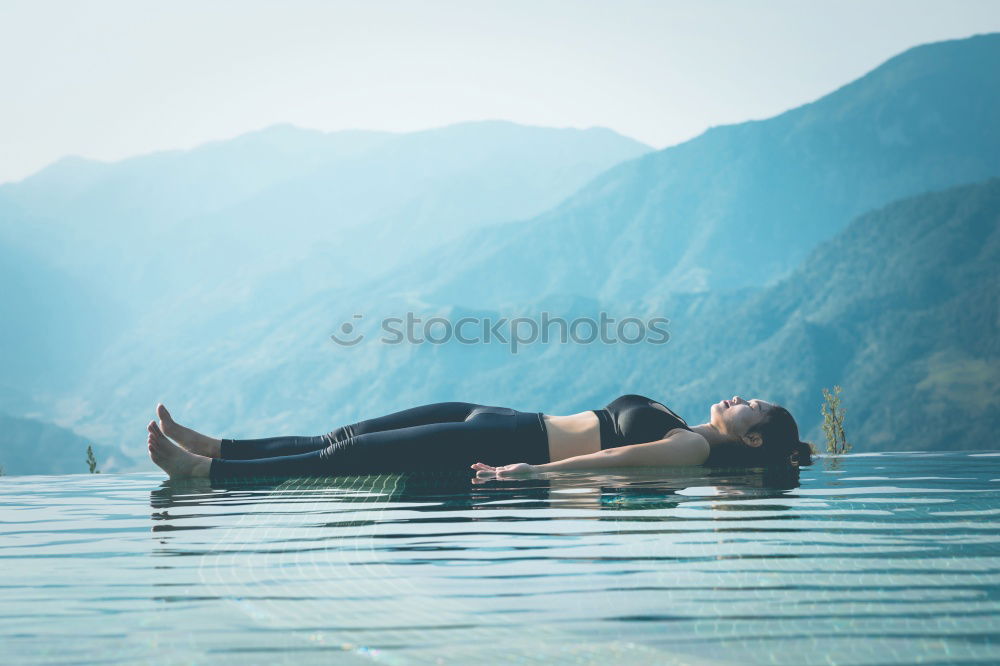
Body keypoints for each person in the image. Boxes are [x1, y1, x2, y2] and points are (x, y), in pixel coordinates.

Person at [147, 394, 813, 481]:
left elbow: (613, 456)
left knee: (343, 458)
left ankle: (203, 475)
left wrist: (523, 474)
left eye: (753, 409)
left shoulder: (692, 448)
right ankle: (217, 446)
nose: (741, 399)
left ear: (751, 440)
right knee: (341, 433)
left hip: (512, 448)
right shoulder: (680, 418)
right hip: (492, 417)